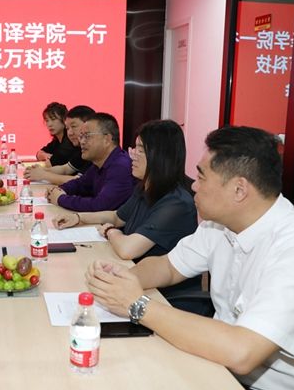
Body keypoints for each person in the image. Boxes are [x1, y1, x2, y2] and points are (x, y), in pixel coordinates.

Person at [85, 126, 294, 390]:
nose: (193, 186)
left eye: (201, 176)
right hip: (218, 364)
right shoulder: (219, 225)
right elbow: (168, 267)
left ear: (239, 190)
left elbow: (242, 352)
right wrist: (122, 281)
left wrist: (136, 304)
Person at [53, 120, 200, 297]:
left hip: (162, 294)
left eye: (141, 150)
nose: (133, 155)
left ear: (160, 156)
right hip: (133, 276)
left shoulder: (176, 203)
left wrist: (110, 231)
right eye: (134, 148)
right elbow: (117, 217)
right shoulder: (145, 187)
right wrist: (79, 218)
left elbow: (127, 249)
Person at [46, 112, 134, 212]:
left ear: (107, 139)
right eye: (81, 136)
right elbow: (80, 184)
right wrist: (60, 189)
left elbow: (100, 205)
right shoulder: (98, 163)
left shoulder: (121, 166)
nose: (82, 142)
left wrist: (60, 199)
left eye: (87, 136)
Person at [25, 105, 94, 185]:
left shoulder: (74, 145)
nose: (70, 133)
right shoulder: (81, 148)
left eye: (74, 126)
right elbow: (66, 169)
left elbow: (80, 181)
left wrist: (43, 174)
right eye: (68, 128)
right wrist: (40, 171)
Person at [35, 101, 80, 166]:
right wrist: (45, 156)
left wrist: (50, 158)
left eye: (53, 119)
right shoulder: (57, 140)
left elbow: (52, 162)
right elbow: (38, 154)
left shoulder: (69, 139)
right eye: (47, 120)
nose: (49, 124)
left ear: (64, 120)